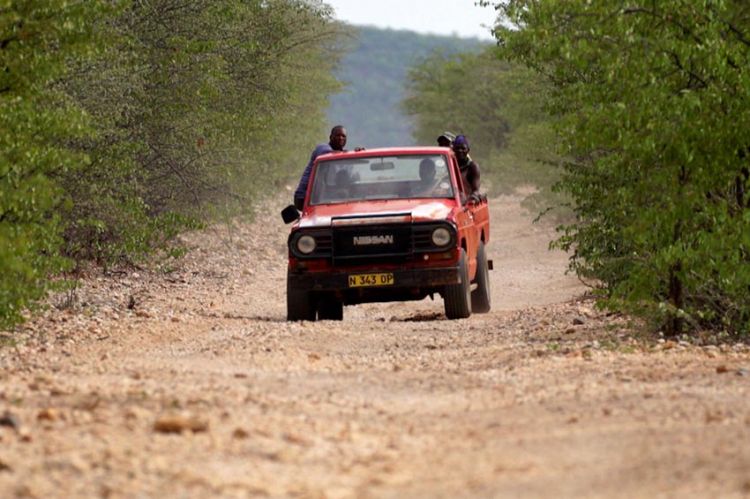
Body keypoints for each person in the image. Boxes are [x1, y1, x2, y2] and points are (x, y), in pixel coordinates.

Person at [294, 125, 348, 209]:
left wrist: (356, 153)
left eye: (343, 136)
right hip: (304, 197)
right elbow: (326, 153)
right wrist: (346, 153)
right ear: (331, 137)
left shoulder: (338, 156)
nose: (341, 138)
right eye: (338, 135)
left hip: (320, 196)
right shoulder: (322, 148)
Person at [452, 135, 481, 202]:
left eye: (463, 148)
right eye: (457, 148)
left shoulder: (473, 167)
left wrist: (471, 197)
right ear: (453, 149)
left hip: (466, 205)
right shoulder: (450, 166)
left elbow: (476, 190)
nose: (460, 151)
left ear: (468, 150)